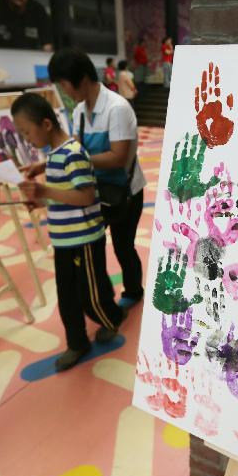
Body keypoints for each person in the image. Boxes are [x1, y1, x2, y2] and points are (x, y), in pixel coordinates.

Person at [12, 93, 124, 372]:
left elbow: (86, 196)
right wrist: (39, 200)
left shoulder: (72, 153)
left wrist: (44, 190)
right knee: (67, 295)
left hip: (84, 239)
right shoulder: (53, 155)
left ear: (46, 124)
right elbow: (65, 196)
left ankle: (112, 317)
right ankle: (77, 343)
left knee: (91, 295)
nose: (26, 138)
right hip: (63, 239)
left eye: (27, 131)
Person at [48, 48, 146, 310]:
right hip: (96, 190)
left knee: (123, 247)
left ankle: (134, 290)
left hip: (126, 191)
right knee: (92, 247)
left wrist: (77, 157)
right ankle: (102, 303)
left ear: (80, 79)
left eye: (63, 84)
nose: (63, 91)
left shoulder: (117, 108)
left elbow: (117, 157)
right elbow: (76, 147)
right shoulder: (78, 111)